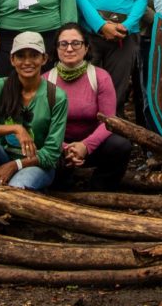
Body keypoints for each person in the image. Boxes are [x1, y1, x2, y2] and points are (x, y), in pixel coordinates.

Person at [0, 32, 68, 189]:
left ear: (44, 59)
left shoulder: (56, 96)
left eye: (34, 55)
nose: (27, 62)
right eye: (20, 56)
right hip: (3, 155)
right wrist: (15, 128)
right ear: (12, 59)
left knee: (15, 188)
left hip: (37, 164)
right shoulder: (0, 87)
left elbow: (51, 154)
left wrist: (16, 165)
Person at [45, 23, 132, 189]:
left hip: (93, 146)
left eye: (76, 43)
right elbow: (43, 125)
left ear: (86, 48)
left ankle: (99, 189)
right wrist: (65, 148)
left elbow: (109, 121)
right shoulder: (46, 81)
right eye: (63, 44)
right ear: (56, 49)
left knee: (121, 145)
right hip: (58, 149)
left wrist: (85, 146)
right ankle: (62, 187)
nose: (69, 49)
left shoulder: (100, 77)